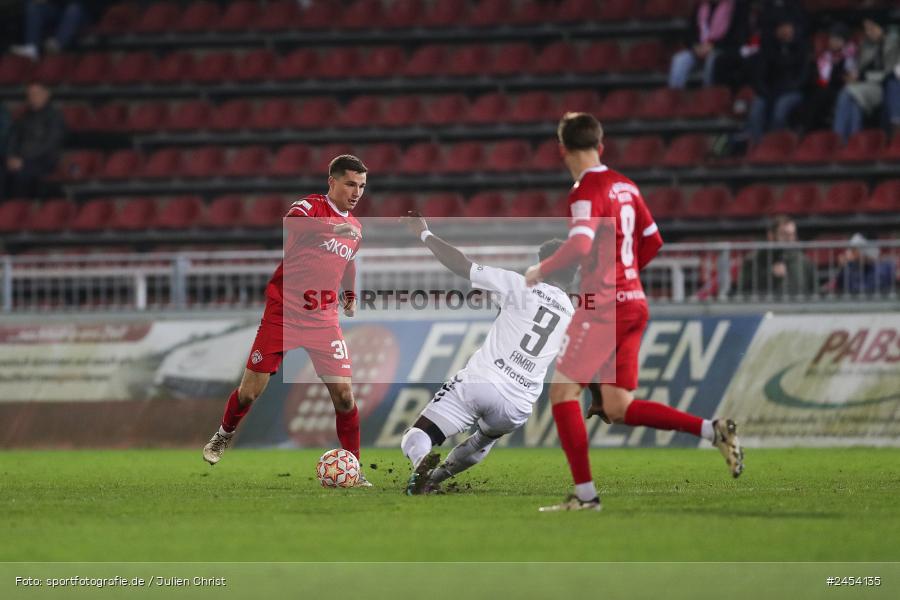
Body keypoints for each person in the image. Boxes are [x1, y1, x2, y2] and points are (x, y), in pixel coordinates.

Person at [524, 113, 743, 512]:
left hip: (604, 306)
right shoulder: (627, 185)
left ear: (562, 150)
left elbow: (579, 245)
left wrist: (540, 270)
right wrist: (624, 279)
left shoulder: (586, 189)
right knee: (618, 407)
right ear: (601, 146)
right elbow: (653, 241)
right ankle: (713, 430)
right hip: (634, 303)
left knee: (561, 392)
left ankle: (586, 497)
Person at [202, 155, 372, 487]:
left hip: (323, 320)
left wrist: (349, 294)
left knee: (344, 396)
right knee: (249, 394)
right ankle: (224, 434)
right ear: (332, 182)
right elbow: (291, 224)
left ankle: (354, 466)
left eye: (362, 186)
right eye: (351, 184)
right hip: (283, 314)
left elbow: (348, 262)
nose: (356, 193)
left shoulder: (356, 228)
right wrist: (331, 226)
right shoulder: (309, 208)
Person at [399, 215, 578, 497]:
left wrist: (424, 233)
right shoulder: (573, 316)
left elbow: (463, 265)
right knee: (484, 439)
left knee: (417, 435)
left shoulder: (521, 285)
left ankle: (422, 465)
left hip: (482, 382)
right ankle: (435, 478)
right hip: (518, 405)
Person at [744, 16, 810, 144]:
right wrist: (766, 91)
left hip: (793, 91)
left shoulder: (802, 48)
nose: (784, 31)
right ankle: (759, 145)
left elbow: (804, 75)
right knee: (756, 109)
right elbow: (760, 76)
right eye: (781, 28)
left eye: (787, 27)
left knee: (780, 110)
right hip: (771, 91)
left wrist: (791, 87)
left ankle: (775, 144)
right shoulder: (769, 49)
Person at [833, 18, 900, 142]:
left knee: (847, 93)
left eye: (872, 28)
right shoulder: (866, 44)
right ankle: (853, 142)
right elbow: (860, 67)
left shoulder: (894, 43)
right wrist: (854, 75)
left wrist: (862, 76)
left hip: (886, 87)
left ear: (881, 27)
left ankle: (838, 139)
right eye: (866, 29)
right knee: (854, 103)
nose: (869, 32)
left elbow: (889, 73)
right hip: (867, 85)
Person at [4, 82, 65, 200]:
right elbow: (13, 138)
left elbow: (49, 144)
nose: (32, 97)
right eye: (30, 94)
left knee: (20, 176)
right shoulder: (24, 117)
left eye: (36, 93)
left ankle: (19, 211)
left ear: (46, 94)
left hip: (44, 161)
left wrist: (23, 160)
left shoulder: (55, 117)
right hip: (20, 160)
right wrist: (10, 156)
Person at [668, 0, 747, 89]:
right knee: (680, 59)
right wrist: (696, 47)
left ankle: (708, 93)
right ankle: (675, 94)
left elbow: (737, 38)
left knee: (712, 60)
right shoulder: (701, 6)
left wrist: (713, 46)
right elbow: (689, 34)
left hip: (722, 50)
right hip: (700, 49)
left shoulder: (736, 6)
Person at [734, 215, 816, 298]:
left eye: (792, 234)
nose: (790, 239)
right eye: (784, 234)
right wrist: (769, 275)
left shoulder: (804, 261)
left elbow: (814, 292)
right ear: (771, 235)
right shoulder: (752, 260)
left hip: (797, 309)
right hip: (763, 309)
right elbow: (743, 292)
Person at [802, 23, 857, 133]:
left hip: (841, 89)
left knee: (820, 96)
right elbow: (820, 77)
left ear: (844, 41)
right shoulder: (826, 56)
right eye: (832, 38)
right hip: (824, 88)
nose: (833, 42)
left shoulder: (850, 55)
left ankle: (808, 131)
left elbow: (849, 77)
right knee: (813, 94)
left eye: (837, 39)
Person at [10, 0, 87, 60]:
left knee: (73, 9)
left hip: (81, 12)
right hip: (58, 9)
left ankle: (56, 46)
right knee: (33, 5)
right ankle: (31, 47)